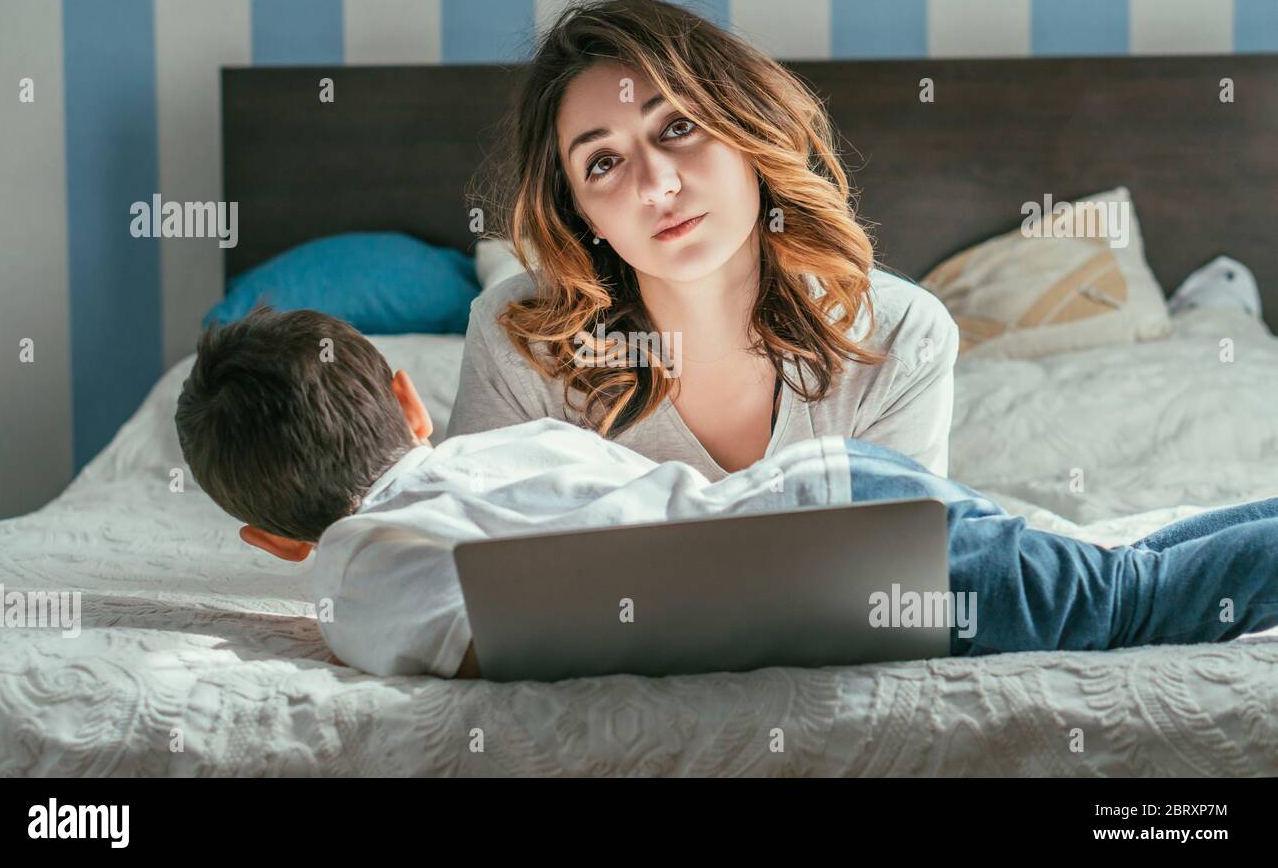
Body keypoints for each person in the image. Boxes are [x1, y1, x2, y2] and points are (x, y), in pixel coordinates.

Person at [174, 306, 1278, 679]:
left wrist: (335, 615)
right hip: (840, 490)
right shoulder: (500, 448)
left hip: (845, 558)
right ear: (413, 404)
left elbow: (486, 636)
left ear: (269, 541)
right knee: (1123, 577)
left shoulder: (351, 565)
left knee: (1127, 605)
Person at [449, 0, 959, 480]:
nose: (656, 185)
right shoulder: (518, 345)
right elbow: (472, 549)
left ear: (749, 131)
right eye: (603, 163)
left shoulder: (899, 339)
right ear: (581, 213)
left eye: (677, 127)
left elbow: (896, 564)